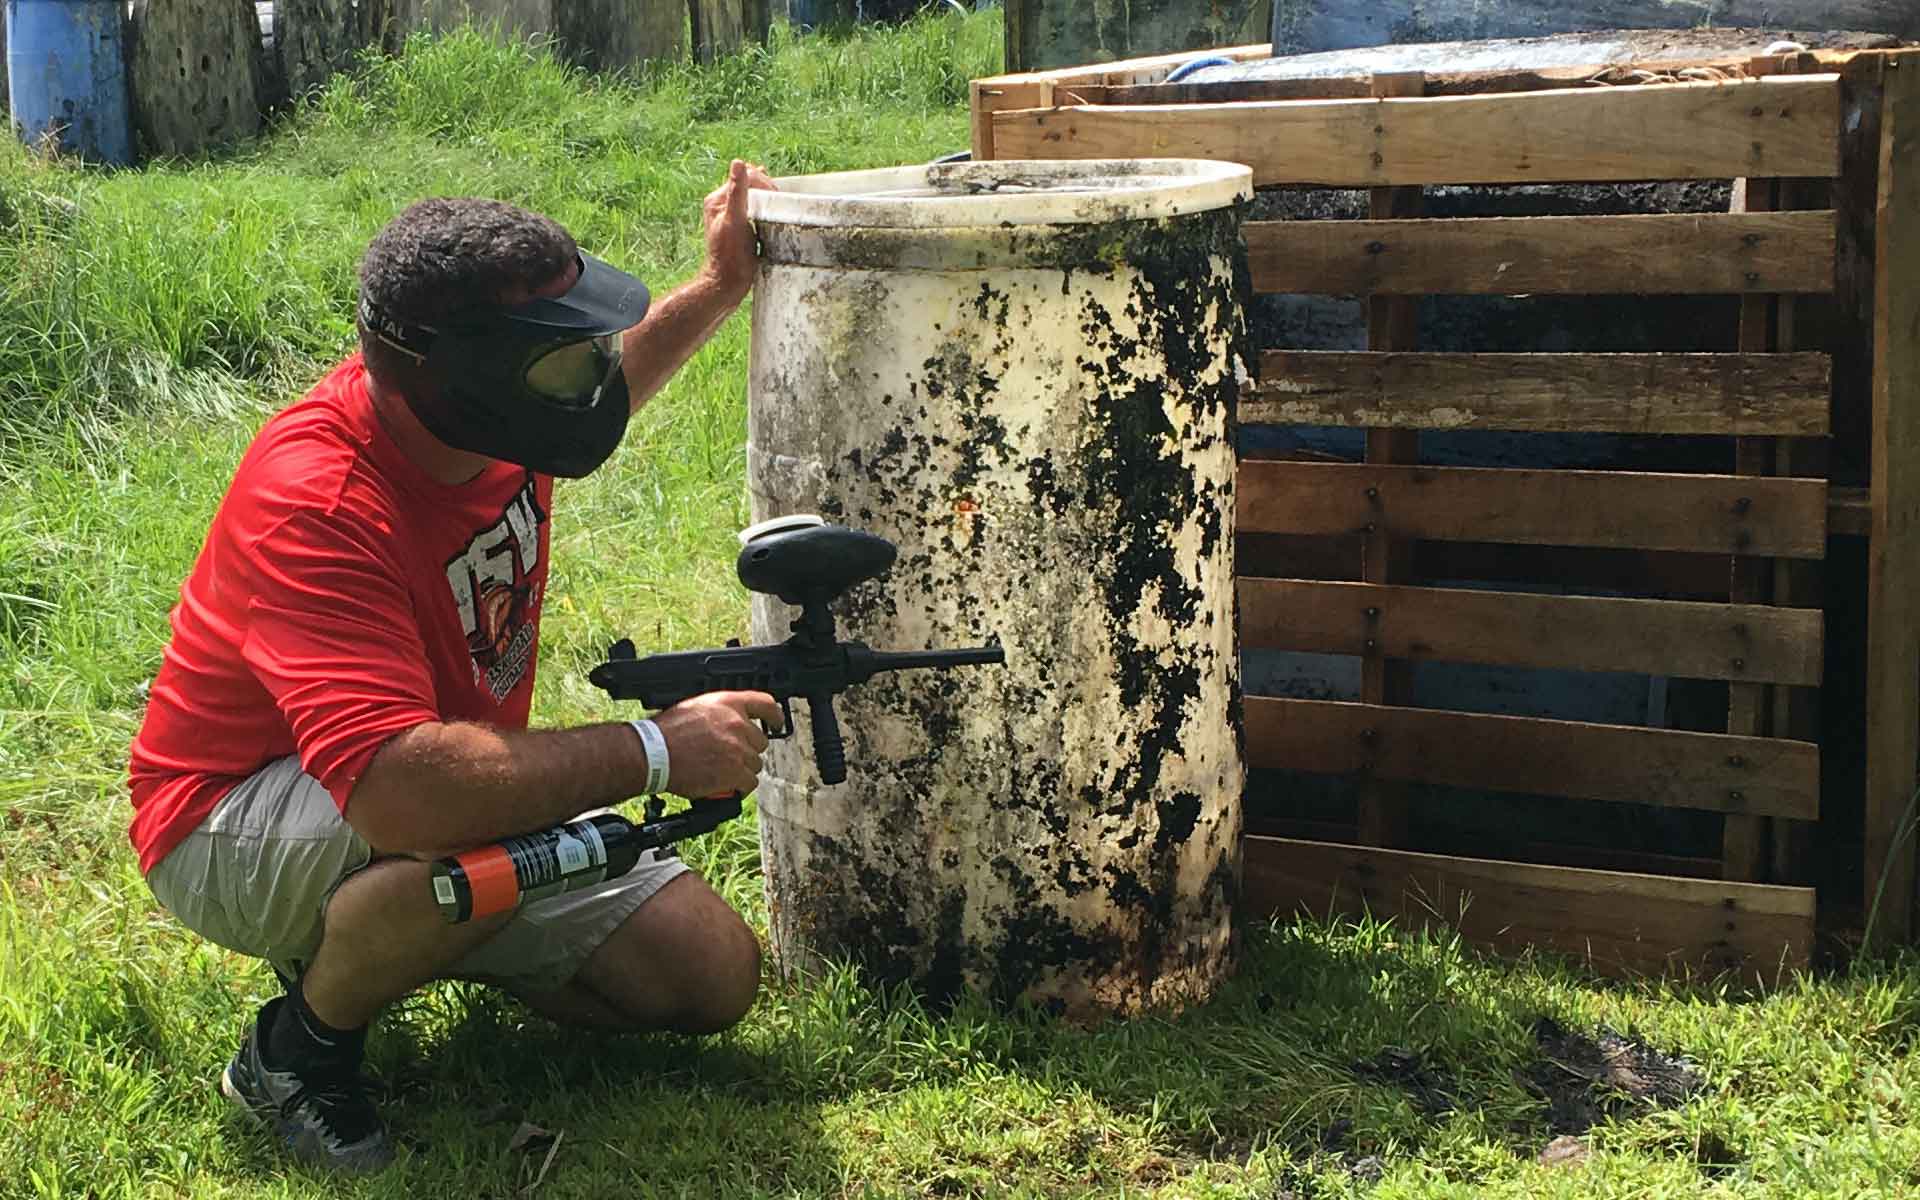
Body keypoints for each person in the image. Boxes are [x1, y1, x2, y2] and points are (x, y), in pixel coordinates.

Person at [126, 161, 781, 1174]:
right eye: (565, 360)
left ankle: (405, 931)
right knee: (452, 834)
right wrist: (655, 750)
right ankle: (297, 1052)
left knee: (710, 975)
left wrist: (720, 285)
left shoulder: (483, 413)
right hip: (228, 819)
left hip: (418, 784)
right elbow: (401, 793)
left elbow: (604, 393)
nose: (594, 377)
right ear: (465, 377)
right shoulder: (320, 502)